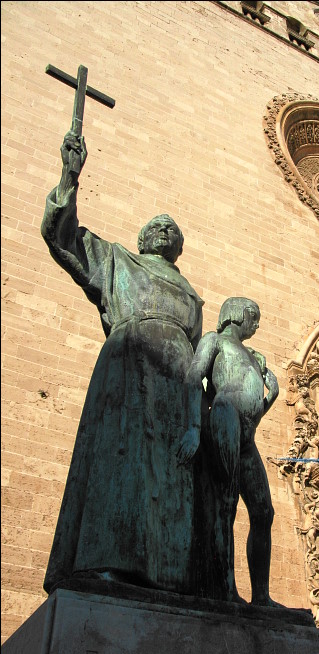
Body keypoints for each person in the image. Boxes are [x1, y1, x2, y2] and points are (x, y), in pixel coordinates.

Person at [41, 131, 204, 595]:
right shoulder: (118, 261)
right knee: (122, 457)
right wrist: (70, 175)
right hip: (129, 364)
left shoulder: (193, 296)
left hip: (177, 381)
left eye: (171, 228)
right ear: (141, 238)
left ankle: (167, 574)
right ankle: (106, 560)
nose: (163, 229)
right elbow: (63, 236)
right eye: (155, 225)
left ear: (179, 246)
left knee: (171, 473)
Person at [178, 297, 279, 605]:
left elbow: (256, 407)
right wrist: (194, 427)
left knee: (263, 512)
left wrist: (271, 396)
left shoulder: (253, 356)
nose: (257, 324)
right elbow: (194, 376)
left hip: (247, 433)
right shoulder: (215, 340)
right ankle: (225, 589)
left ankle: (261, 597)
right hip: (224, 415)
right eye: (254, 316)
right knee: (227, 501)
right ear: (236, 315)